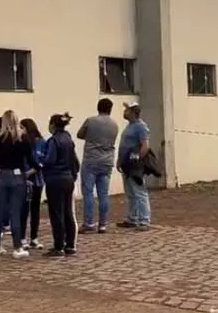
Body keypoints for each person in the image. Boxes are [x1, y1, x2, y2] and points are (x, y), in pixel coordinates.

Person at [0, 111, 34, 258]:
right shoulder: (22, 139)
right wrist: (36, 168)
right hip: (16, 176)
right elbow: (30, 159)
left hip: (0, 176)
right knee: (15, 212)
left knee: (0, 212)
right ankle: (17, 247)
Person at [76, 98, 119, 233]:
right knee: (104, 194)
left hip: (91, 160)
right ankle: (103, 224)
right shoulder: (114, 124)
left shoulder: (91, 121)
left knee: (88, 192)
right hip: (107, 161)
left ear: (98, 107)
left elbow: (80, 134)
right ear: (110, 109)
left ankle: (88, 223)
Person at [41, 113, 80, 257]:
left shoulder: (53, 141)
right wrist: (73, 175)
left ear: (53, 125)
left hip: (55, 179)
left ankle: (59, 245)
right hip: (68, 178)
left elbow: (50, 160)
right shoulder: (68, 139)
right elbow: (75, 162)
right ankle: (70, 244)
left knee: (56, 213)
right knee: (68, 211)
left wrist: (41, 160)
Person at [117, 102, 152, 231]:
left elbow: (145, 145)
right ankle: (133, 218)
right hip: (126, 163)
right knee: (131, 192)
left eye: (127, 110)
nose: (124, 112)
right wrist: (120, 160)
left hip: (134, 164)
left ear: (133, 112)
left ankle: (144, 219)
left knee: (139, 191)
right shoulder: (129, 126)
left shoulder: (141, 127)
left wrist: (137, 160)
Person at [19, 118, 47, 250]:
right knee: (23, 209)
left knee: (35, 209)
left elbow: (44, 160)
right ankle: (22, 238)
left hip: (37, 180)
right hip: (24, 180)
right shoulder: (21, 142)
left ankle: (34, 238)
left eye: (22, 127)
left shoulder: (42, 142)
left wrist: (33, 170)